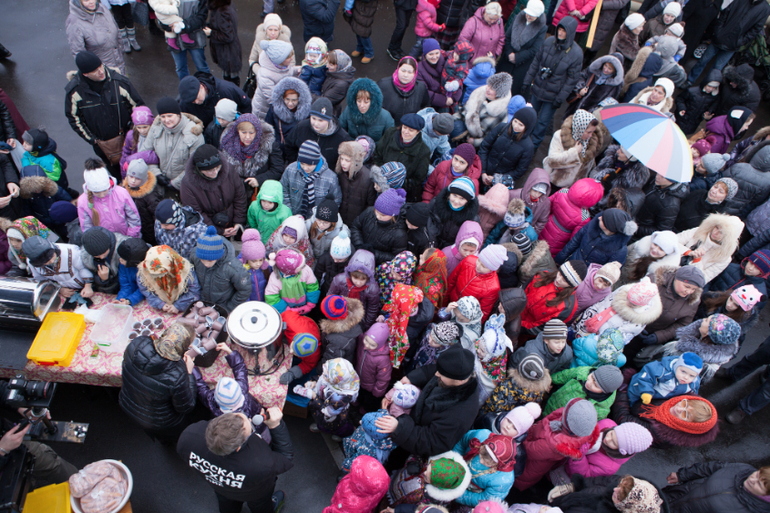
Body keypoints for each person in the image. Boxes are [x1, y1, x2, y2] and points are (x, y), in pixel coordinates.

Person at [177, 409, 292, 513]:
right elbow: (285, 459)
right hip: (255, 493)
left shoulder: (188, 438)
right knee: (261, 508)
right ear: (238, 448)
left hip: (221, 486)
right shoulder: (260, 463)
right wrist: (276, 425)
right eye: (250, 429)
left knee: (227, 506)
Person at [374, 344, 480, 457]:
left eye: (441, 374)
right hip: (412, 419)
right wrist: (412, 377)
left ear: (460, 381)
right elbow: (434, 370)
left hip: (412, 442)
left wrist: (399, 428)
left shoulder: (460, 415)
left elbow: (432, 443)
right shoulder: (454, 372)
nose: (436, 374)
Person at [64, 52, 144, 178]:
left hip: (129, 139)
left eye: (101, 66)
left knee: (137, 169)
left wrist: (133, 133)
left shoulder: (119, 82)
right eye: (95, 71)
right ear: (85, 74)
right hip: (103, 146)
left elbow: (138, 108)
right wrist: (93, 140)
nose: (101, 71)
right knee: (116, 172)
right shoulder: (75, 92)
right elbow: (74, 119)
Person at [120, 323, 197, 444]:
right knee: (171, 435)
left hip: (128, 404)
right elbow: (186, 407)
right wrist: (189, 374)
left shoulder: (137, 343)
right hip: (158, 420)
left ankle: (157, 438)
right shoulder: (177, 374)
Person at [0, 379, 78, 486]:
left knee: (52, 464)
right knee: (22, 491)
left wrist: (21, 406)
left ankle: (82, 485)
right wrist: (2, 449)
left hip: (8, 436)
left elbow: (2, 389)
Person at [513, 398, 600, 491]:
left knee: (517, 479)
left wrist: (517, 437)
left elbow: (527, 450)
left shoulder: (552, 444)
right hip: (533, 443)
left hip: (525, 467)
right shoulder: (578, 428)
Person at [523, 16, 583, 149]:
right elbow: (536, 62)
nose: (560, 33)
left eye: (564, 31)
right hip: (538, 87)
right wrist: (527, 80)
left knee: (542, 123)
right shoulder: (549, 41)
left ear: (570, 33)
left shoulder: (576, 54)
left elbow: (571, 80)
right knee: (529, 116)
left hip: (553, 96)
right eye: (559, 30)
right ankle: (522, 140)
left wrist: (560, 98)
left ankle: (532, 147)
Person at [685, 0, 770, 86]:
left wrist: (741, 41)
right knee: (702, 61)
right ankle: (690, 81)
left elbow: (756, 29)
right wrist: (718, 31)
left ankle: (704, 87)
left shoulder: (765, 8)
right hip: (720, 38)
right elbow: (726, 12)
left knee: (716, 69)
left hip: (733, 45)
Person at [180, 145, 247, 237]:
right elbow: (196, 213)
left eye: (217, 168)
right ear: (199, 170)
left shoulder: (229, 170)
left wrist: (238, 221)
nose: (215, 172)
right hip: (208, 230)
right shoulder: (188, 184)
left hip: (233, 222)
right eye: (209, 171)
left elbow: (239, 196)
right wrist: (218, 231)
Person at [140, 98, 205, 190]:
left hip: (185, 186)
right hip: (157, 182)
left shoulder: (194, 133)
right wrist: (156, 174)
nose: (166, 120)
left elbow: (194, 165)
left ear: (178, 114)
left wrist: (175, 184)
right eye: (163, 116)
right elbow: (145, 153)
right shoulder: (156, 128)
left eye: (170, 116)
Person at [665, 462, 770, 512]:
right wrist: (683, 475)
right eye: (757, 474)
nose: (751, 479)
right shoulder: (743, 469)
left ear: (766, 495)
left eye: (759, 484)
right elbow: (710, 468)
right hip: (673, 495)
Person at [564, 421, 653, 479]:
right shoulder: (607, 424)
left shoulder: (610, 467)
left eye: (613, 443)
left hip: (566, 468)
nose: (607, 439)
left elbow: (586, 475)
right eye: (611, 434)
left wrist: (579, 458)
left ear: (621, 451)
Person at [374, 114, 431, 202]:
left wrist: (395, 182)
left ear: (418, 131)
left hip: (400, 192)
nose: (406, 132)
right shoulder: (390, 134)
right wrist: (382, 177)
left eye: (411, 130)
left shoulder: (423, 151)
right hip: (379, 183)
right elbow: (377, 155)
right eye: (404, 127)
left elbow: (418, 178)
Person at [76, 160, 141, 238]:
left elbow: (133, 218)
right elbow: (87, 228)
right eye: (96, 192)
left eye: (104, 190)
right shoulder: (83, 202)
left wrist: (131, 237)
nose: (102, 195)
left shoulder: (121, 193)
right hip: (104, 244)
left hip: (127, 238)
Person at [285, 98, 352, 171]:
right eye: (313, 118)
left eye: (321, 120)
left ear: (329, 120)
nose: (316, 123)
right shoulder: (301, 127)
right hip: (302, 171)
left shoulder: (342, 137)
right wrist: (297, 164)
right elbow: (289, 146)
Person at [280, 140, 342, 219]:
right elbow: (283, 191)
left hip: (318, 223)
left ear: (316, 162)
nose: (305, 168)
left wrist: (321, 220)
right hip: (293, 218)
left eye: (309, 164)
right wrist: (289, 214)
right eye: (302, 163)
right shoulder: (290, 170)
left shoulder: (330, 178)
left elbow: (335, 201)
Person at [544, 110, 604, 189]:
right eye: (588, 132)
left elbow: (589, 165)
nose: (590, 135)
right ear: (580, 128)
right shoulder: (560, 136)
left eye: (592, 132)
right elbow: (552, 161)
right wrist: (574, 152)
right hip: (556, 183)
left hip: (573, 188)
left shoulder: (592, 142)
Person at [676, 213, 743, 284]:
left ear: (728, 238)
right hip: (670, 263)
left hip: (683, 281)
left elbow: (703, 279)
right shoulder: (699, 230)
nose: (715, 232)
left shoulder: (724, 258)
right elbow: (673, 240)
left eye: (721, 232)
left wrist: (697, 260)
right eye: (717, 227)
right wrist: (688, 252)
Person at [557, 208, 637, 266]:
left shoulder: (619, 251)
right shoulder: (592, 225)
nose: (599, 218)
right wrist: (559, 260)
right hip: (570, 263)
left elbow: (607, 273)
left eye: (603, 219)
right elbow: (574, 242)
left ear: (609, 227)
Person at [498, 0, 547, 96]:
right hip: (506, 61)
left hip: (521, 66)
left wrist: (517, 57)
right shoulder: (517, 18)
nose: (528, 16)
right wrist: (509, 53)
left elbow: (534, 49)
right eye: (528, 13)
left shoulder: (542, 28)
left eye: (532, 15)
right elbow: (507, 37)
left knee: (512, 94)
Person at [155, 0, 212, 80]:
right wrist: (168, 26)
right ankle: (186, 90)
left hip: (194, 37)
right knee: (181, 67)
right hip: (176, 38)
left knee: (201, 67)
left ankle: (208, 89)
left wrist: (182, 26)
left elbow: (201, 17)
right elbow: (160, 13)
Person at [521, 261, 586, 331]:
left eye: (565, 280)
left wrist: (519, 325)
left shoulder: (567, 307)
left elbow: (540, 328)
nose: (558, 279)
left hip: (523, 330)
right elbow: (522, 292)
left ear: (571, 285)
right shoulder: (544, 273)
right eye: (560, 274)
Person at [549, 474, 665, 513]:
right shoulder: (631, 486)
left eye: (620, 495)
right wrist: (573, 486)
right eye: (620, 484)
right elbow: (602, 481)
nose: (615, 489)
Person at [66, 0, 125, 75]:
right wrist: (95, 73)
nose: (91, 2)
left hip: (119, 64)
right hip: (101, 72)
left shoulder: (102, 8)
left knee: (124, 85)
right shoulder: (74, 22)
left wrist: (121, 50)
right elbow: (79, 54)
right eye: (86, 0)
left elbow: (117, 31)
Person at [22, 236, 92, 297]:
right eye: (46, 262)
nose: (52, 261)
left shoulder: (70, 251)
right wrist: (58, 289)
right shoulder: (31, 262)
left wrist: (88, 286)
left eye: (52, 256)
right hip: (63, 289)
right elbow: (40, 279)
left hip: (83, 285)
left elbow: (83, 268)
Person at [545, 365, 624, 419]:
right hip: (552, 402)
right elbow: (564, 375)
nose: (589, 383)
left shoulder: (599, 410)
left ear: (604, 392)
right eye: (592, 377)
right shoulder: (583, 372)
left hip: (558, 419)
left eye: (596, 385)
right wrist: (549, 381)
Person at [178, 73, 251, 128]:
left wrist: (244, 126)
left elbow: (246, 104)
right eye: (193, 101)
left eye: (197, 97)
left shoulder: (226, 89)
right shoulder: (185, 103)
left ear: (201, 86)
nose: (196, 102)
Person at [265, 78, 312, 162]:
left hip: (297, 152)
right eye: (287, 99)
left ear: (300, 99)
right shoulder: (273, 110)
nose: (290, 103)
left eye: (294, 100)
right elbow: (267, 130)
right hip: (277, 151)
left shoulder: (307, 113)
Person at [629, 353, 702, 407]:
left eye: (691, 376)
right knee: (632, 400)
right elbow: (646, 378)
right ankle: (630, 404)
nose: (686, 377)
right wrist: (646, 392)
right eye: (683, 372)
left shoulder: (694, 383)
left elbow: (692, 395)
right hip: (642, 390)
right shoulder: (663, 370)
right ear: (676, 366)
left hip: (660, 399)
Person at [633, 171, 690, 240]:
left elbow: (661, 230)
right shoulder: (655, 180)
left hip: (638, 233)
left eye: (663, 177)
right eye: (658, 172)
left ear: (672, 181)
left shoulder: (671, 205)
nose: (657, 176)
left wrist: (636, 228)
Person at [462, 73, 513, 148]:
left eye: (492, 88)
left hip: (476, 147)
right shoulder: (479, 96)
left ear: (500, 93)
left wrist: (475, 142)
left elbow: (494, 137)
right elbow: (462, 110)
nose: (487, 89)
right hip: (463, 132)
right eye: (488, 85)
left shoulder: (502, 112)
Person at [251, 40, 299, 119]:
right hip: (264, 111)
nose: (292, 58)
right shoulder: (265, 75)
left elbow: (288, 72)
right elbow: (273, 98)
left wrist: (298, 70)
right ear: (279, 60)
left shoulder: (283, 66)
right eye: (288, 57)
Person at [378, 57, 430, 128]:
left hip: (410, 129)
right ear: (398, 69)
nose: (405, 75)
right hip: (388, 128)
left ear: (415, 73)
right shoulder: (383, 85)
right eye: (403, 71)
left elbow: (425, 107)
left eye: (409, 72)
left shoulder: (421, 88)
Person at [721, 145, 770, 218]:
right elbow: (756, 201)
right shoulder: (768, 181)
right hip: (736, 211)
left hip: (720, 200)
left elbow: (722, 180)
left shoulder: (739, 167)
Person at [79, 226, 128, 296]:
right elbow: (92, 276)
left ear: (109, 245)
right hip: (109, 289)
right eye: (97, 255)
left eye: (103, 252)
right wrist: (103, 279)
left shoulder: (123, 245)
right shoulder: (86, 257)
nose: (101, 257)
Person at [123, 161, 162, 246]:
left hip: (149, 234)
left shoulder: (150, 197)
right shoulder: (124, 190)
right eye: (130, 176)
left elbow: (157, 218)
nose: (133, 181)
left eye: (137, 178)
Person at [206, 0, 242, 86]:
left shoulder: (222, 11)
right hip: (229, 53)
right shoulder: (225, 5)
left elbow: (228, 36)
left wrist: (211, 33)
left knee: (230, 82)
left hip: (228, 54)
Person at [675, 70, 722, 135]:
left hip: (692, 125)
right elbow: (680, 99)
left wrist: (708, 116)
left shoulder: (715, 98)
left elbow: (712, 109)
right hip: (680, 120)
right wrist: (681, 108)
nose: (710, 89)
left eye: (713, 87)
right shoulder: (692, 91)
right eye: (709, 86)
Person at [247, 180, 292, 246]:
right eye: (263, 201)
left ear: (277, 201)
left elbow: (287, 230)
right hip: (259, 241)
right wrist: (255, 232)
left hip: (277, 244)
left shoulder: (285, 212)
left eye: (270, 202)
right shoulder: (254, 207)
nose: (266, 205)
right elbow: (251, 220)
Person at [321, 50, 356, 117]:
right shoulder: (334, 73)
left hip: (329, 113)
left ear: (339, 66)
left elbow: (324, 100)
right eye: (327, 63)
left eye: (331, 65)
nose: (327, 66)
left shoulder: (341, 85)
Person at [116, 238, 150, 306]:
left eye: (123, 259)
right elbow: (125, 285)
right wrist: (120, 299)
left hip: (148, 298)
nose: (120, 260)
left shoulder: (148, 268)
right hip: (136, 294)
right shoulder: (123, 264)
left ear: (133, 261)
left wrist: (130, 300)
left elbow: (145, 289)